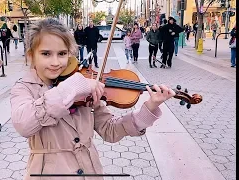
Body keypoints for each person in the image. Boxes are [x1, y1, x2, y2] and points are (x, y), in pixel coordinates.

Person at [10, 18, 175, 179]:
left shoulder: (82, 85)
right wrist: (71, 88)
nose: (55, 62)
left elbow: (110, 130)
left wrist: (150, 108)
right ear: (31, 56)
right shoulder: (25, 88)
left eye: (62, 54)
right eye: (46, 54)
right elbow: (24, 125)